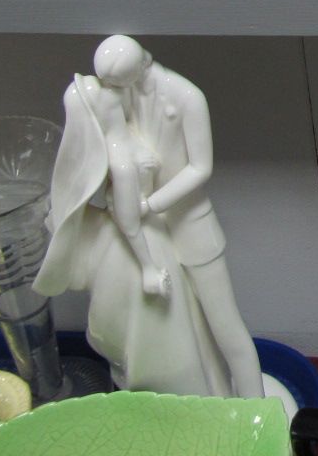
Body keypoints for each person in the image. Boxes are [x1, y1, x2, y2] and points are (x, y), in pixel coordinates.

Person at [35, 35, 263, 398]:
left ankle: (257, 414)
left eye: (117, 84)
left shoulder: (187, 97)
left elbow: (200, 168)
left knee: (227, 330)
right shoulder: (118, 96)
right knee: (188, 333)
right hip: (150, 234)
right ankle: (214, 401)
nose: (112, 93)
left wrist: (150, 204)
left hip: (189, 225)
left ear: (142, 64)